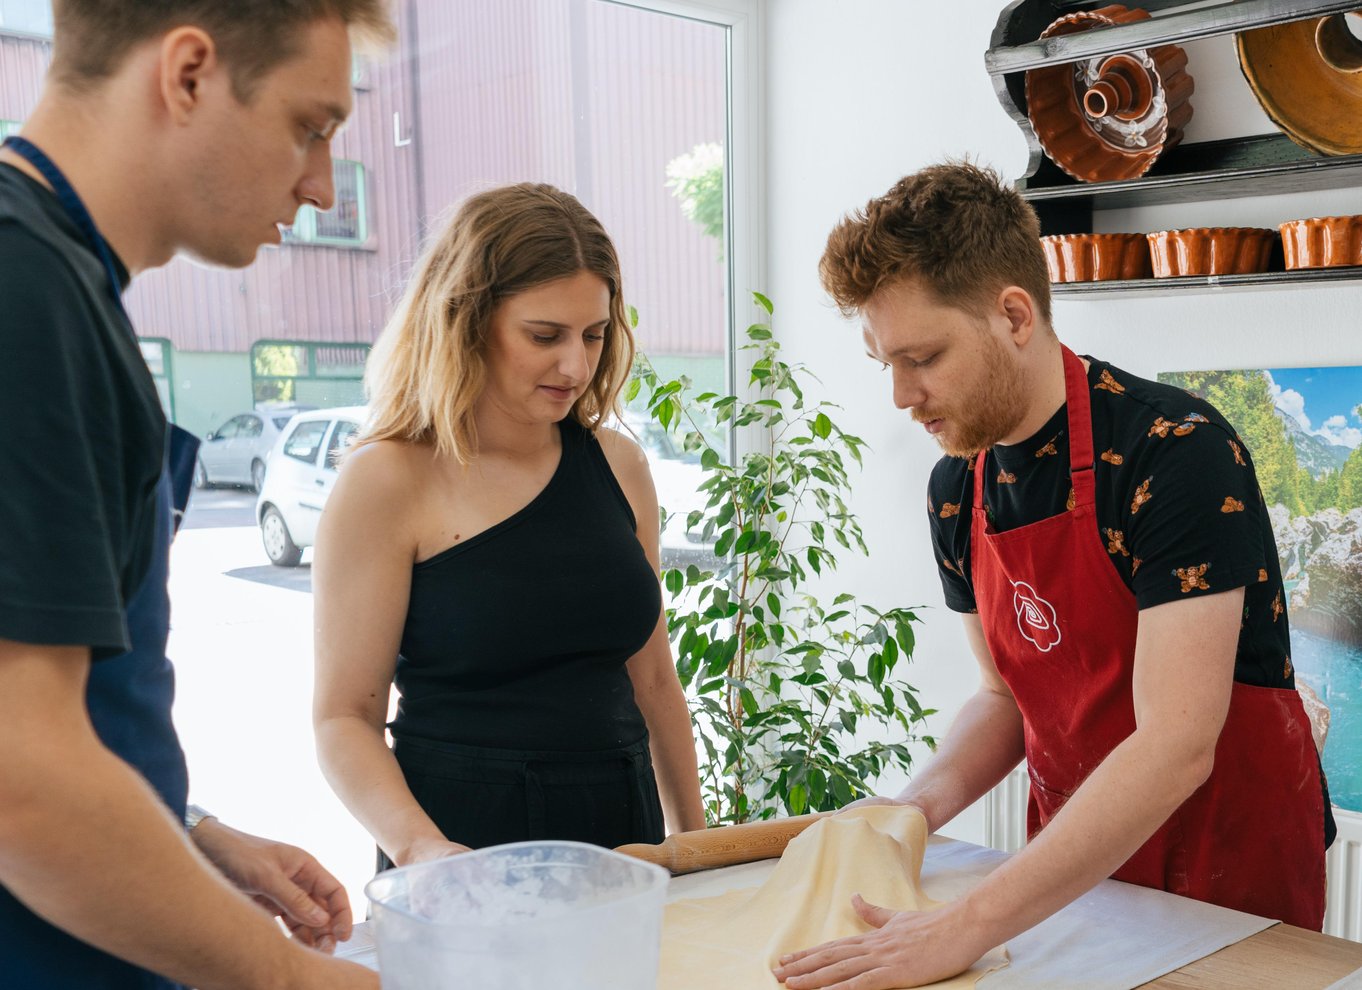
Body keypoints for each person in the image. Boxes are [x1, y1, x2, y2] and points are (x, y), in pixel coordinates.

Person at [772, 162, 1334, 990]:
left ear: (1013, 315)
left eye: (922, 357)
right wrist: (910, 810)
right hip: (1074, 880)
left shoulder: (1174, 451)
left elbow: (1177, 745)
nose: (900, 396)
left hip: (1230, 882)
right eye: (883, 362)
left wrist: (962, 925)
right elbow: (1004, 699)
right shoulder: (957, 491)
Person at [0, 2, 396, 988]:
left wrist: (190, 831)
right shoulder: (24, 292)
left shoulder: (60, 284)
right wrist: (288, 976)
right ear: (187, 74)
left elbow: (65, 708)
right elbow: (22, 780)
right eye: (309, 128)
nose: (316, 185)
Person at [313, 183, 707, 869]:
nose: (577, 366)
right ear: (466, 322)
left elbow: (654, 682)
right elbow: (343, 716)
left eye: (594, 334)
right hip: (458, 841)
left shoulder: (621, 464)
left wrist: (699, 848)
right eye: (544, 336)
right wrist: (419, 847)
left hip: (623, 826)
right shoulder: (386, 480)